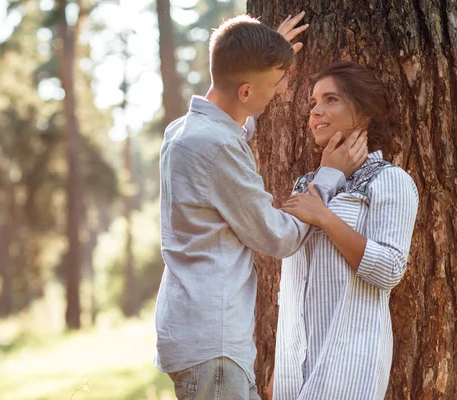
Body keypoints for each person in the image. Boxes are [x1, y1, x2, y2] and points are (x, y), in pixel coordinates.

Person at [154, 13, 368, 399]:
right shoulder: (215, 147)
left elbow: (226, 114)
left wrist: (262, 51)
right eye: (276, 81)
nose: (284, 90)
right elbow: (278, 237)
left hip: (194, 331)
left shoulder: (183, 131)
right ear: (246, 91)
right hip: (213, 342)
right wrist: (328, 176)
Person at [270, 61, 419, 399]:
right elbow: (292, 280)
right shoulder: (307, 184)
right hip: (295, 370)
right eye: (313, 103)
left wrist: (325, 218)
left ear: (364, 114)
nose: (315, 112)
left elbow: (390, 269)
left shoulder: (390, 180)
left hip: (350, 365)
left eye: (331, 100)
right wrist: (282, 367)